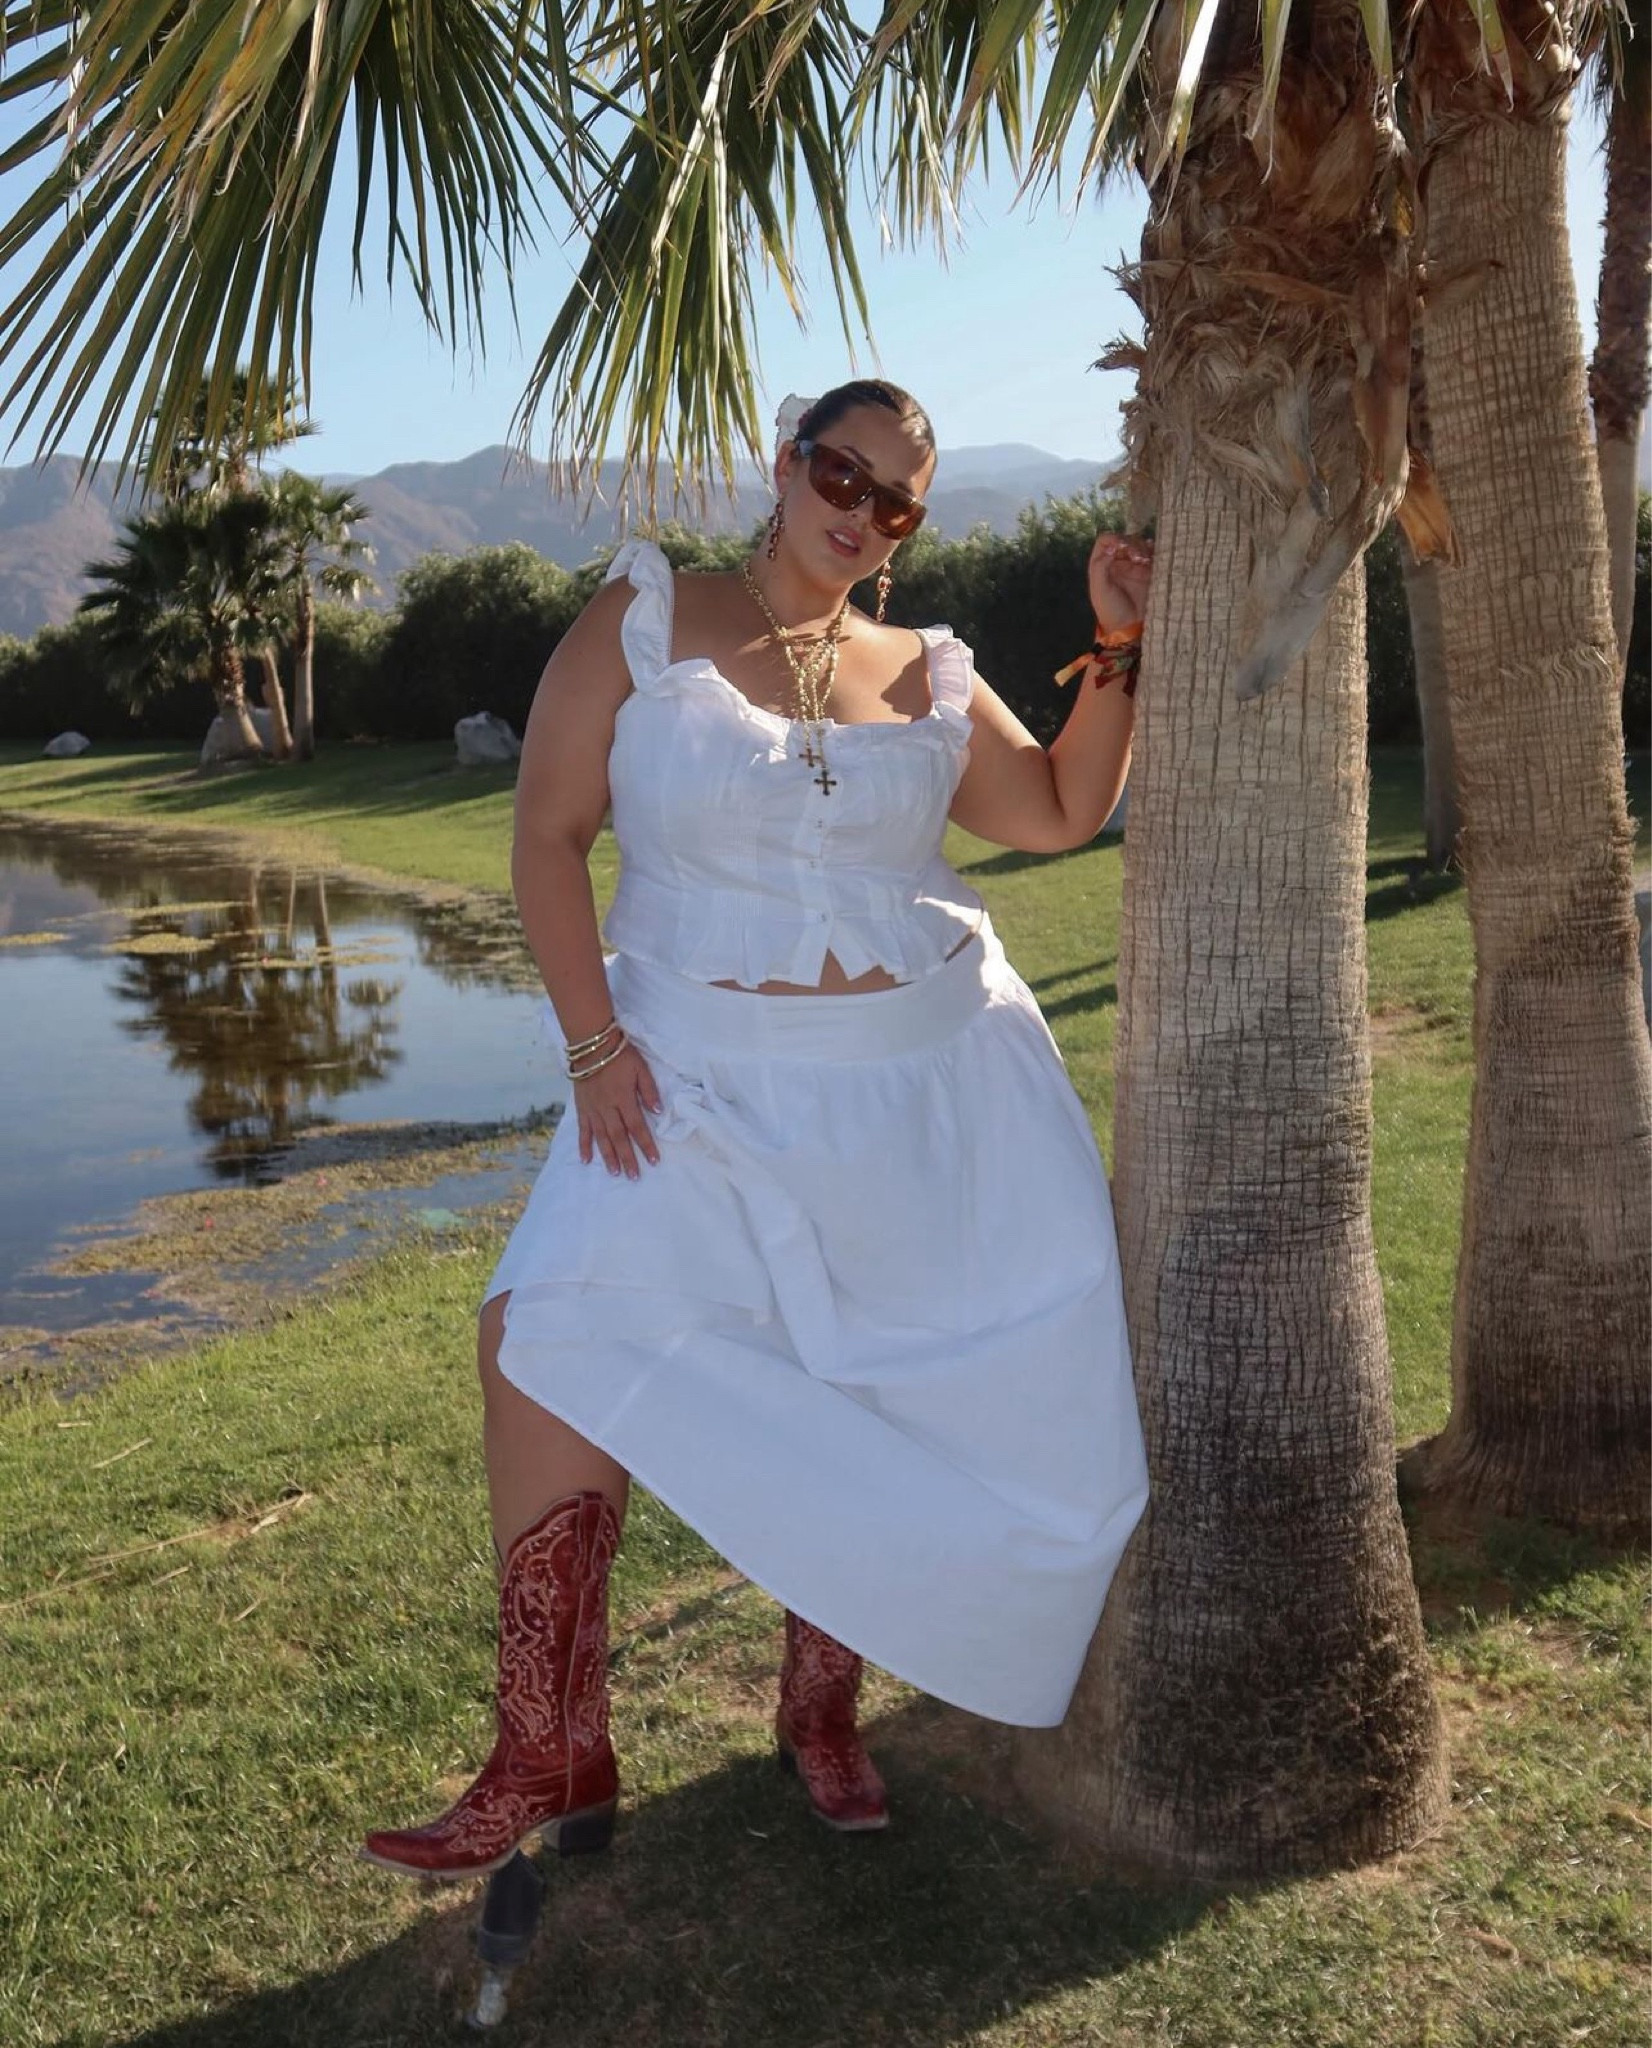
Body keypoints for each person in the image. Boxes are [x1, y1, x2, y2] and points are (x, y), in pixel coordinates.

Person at [361, 379, 1152, 1878]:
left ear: (909, 529)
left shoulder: (922, 665)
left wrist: (1114, 647)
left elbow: (1055, 811)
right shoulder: (643, 619)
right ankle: (548, 1746)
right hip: (691, 1080)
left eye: (895, 501)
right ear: (788, 464)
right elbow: (545, 832)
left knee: (868, 1378)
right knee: (541, 1325)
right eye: (842, 473)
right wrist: (592, 1043)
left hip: (921, 1081)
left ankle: (820, 1704)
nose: (859, 512)